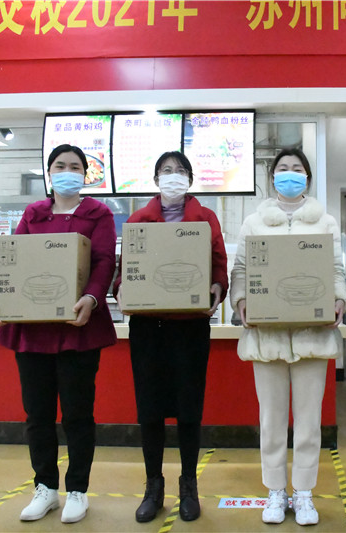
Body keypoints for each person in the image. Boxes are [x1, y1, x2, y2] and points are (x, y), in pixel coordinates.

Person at [0, 144, 117, 524]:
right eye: (60, 165)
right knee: (37, 414)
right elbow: (11, 258)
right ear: (49, 172)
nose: (67, 172)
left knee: (77, 413)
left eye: (75, 167)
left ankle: (77, 489)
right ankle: (45, 487)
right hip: (32, 330)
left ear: (85, 175)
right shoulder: (34, 213)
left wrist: (92, 298)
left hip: (78, 328)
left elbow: (104, 262)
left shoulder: (99, 214)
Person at [229, 148, 346, 526]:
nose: (290, 174)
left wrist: (339, 298)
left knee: (310, 421)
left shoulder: (325, 222)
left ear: (307, 178)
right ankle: (275, 491)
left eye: (297, 168)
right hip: (267, 336)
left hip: (313, 335)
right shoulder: (254, 222)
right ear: (272, 177)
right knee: (271, 419)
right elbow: (241, 270)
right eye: (283, 168)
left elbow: (336, 269)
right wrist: (242, 301)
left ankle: (304, 492)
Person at [113, 151, 228, 523]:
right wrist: (121, 289)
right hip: (149, 329)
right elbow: (124, 271)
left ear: (190, 180)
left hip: (190, 327)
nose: (173, 176)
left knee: (189, 410)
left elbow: (219, 264)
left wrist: (217, 287)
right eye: (166, 171)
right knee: (149, 411)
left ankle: (189, 486)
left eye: (180, 171)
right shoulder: (138, 220)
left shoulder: (206, 218)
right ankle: (153, 487)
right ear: (155, 180)